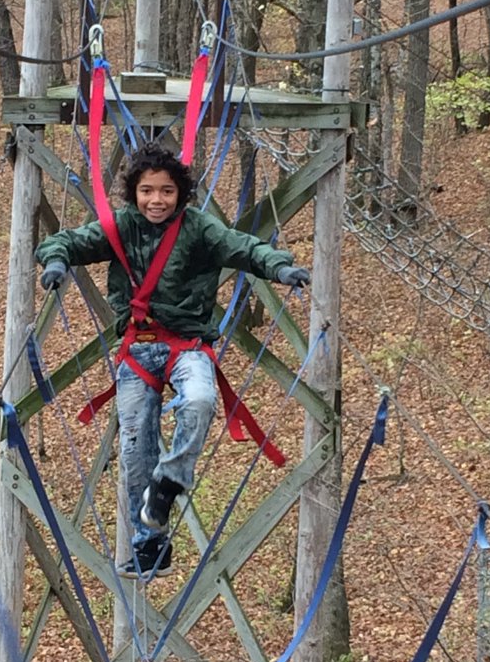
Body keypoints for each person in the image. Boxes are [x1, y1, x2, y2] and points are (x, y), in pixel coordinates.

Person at [34, 142, 310, 580]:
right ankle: (150, 544)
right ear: (134, 193)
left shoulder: (199, 229)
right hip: (138, 348)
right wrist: (54, 262)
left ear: (180, 194)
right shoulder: (121, 226)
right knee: (135, 446)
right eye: (147, 191)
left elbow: (245, 248)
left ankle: (172, 480)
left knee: (200, 400)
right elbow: (66, 241)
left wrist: (279, 267)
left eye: (165, 191)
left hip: (186, 345)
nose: (156, 200)